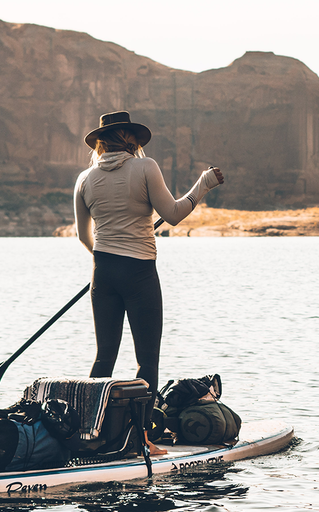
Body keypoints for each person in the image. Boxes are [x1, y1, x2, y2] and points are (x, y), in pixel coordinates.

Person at [72, 111, 223, 397]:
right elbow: (174, 214)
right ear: (127, 138)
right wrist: (204, 183)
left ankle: (86, 428)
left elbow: (82, 236)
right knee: (147, 359)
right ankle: (141, 434)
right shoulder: (145, 168)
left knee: (104, 357)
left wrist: (108, 258)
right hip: (139, 273)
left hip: (102, 273)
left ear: (101, 142)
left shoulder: (84, 179)